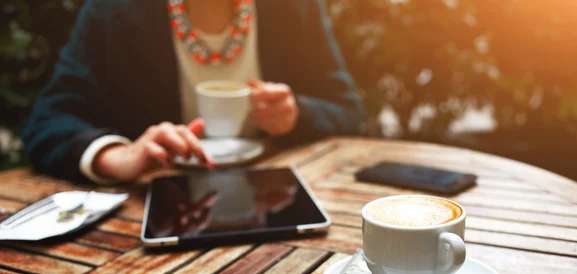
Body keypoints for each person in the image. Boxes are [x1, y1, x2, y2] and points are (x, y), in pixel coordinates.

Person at [22, 0, 364, 184]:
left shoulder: (293, 7)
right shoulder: (113, 11)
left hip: (280, 196)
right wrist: (117, 156)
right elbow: (47, 120)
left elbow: (349, 110)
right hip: (153, 216)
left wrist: (296, 114)